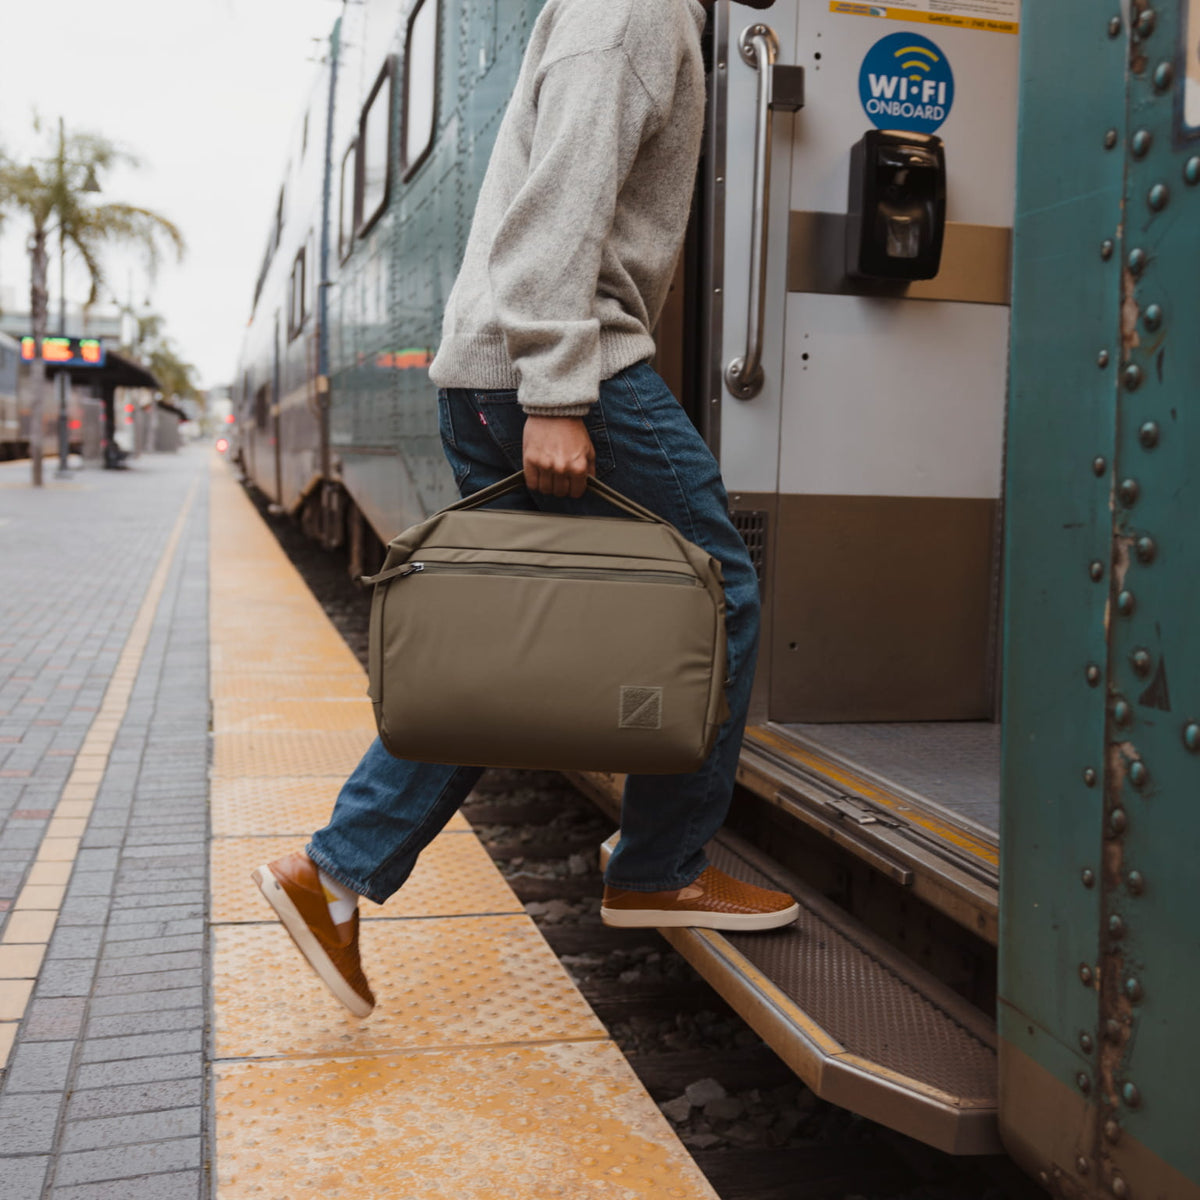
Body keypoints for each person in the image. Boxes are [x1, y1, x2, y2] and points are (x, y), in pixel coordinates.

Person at [253, 0, 795, 1019]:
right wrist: (556, 392)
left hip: (509, 368)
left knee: (513, 647)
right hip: (555, 364)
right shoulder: (637, 9)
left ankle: (331, 874)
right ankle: (657, 867)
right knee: (715, 588)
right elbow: (561, 207)